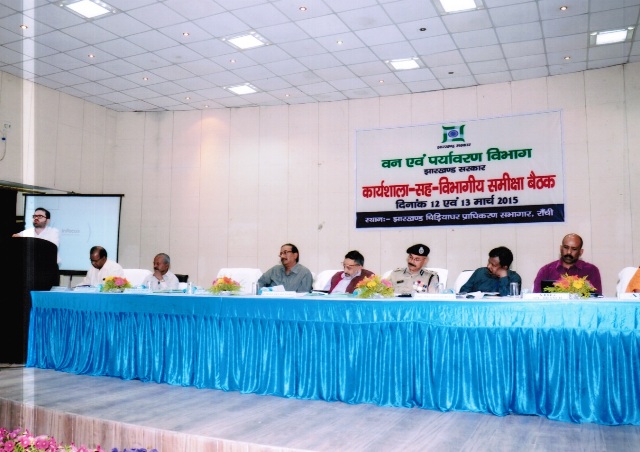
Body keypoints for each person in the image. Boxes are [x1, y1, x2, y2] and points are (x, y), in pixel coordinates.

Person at [533, 233, 602, 294]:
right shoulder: (546, 271)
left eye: (574, 249)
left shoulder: (591, 270)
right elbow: (536, 299)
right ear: (561, 248)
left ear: (581, 252)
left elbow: (597, 299)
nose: (569, 252)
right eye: (566, 247)